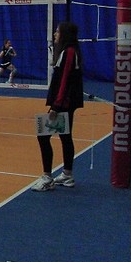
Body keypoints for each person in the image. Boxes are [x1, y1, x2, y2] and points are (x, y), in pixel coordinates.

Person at [32, 22, 83, 192]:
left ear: (65, 34)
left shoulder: (69, 52)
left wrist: (56, 106)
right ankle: (67, 175)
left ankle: (47, 178)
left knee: (43, 136)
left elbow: (65, 80)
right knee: (65, 136)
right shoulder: (68, 51)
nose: (55, 34)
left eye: (57, 31)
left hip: (63, 103)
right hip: (66, 102)